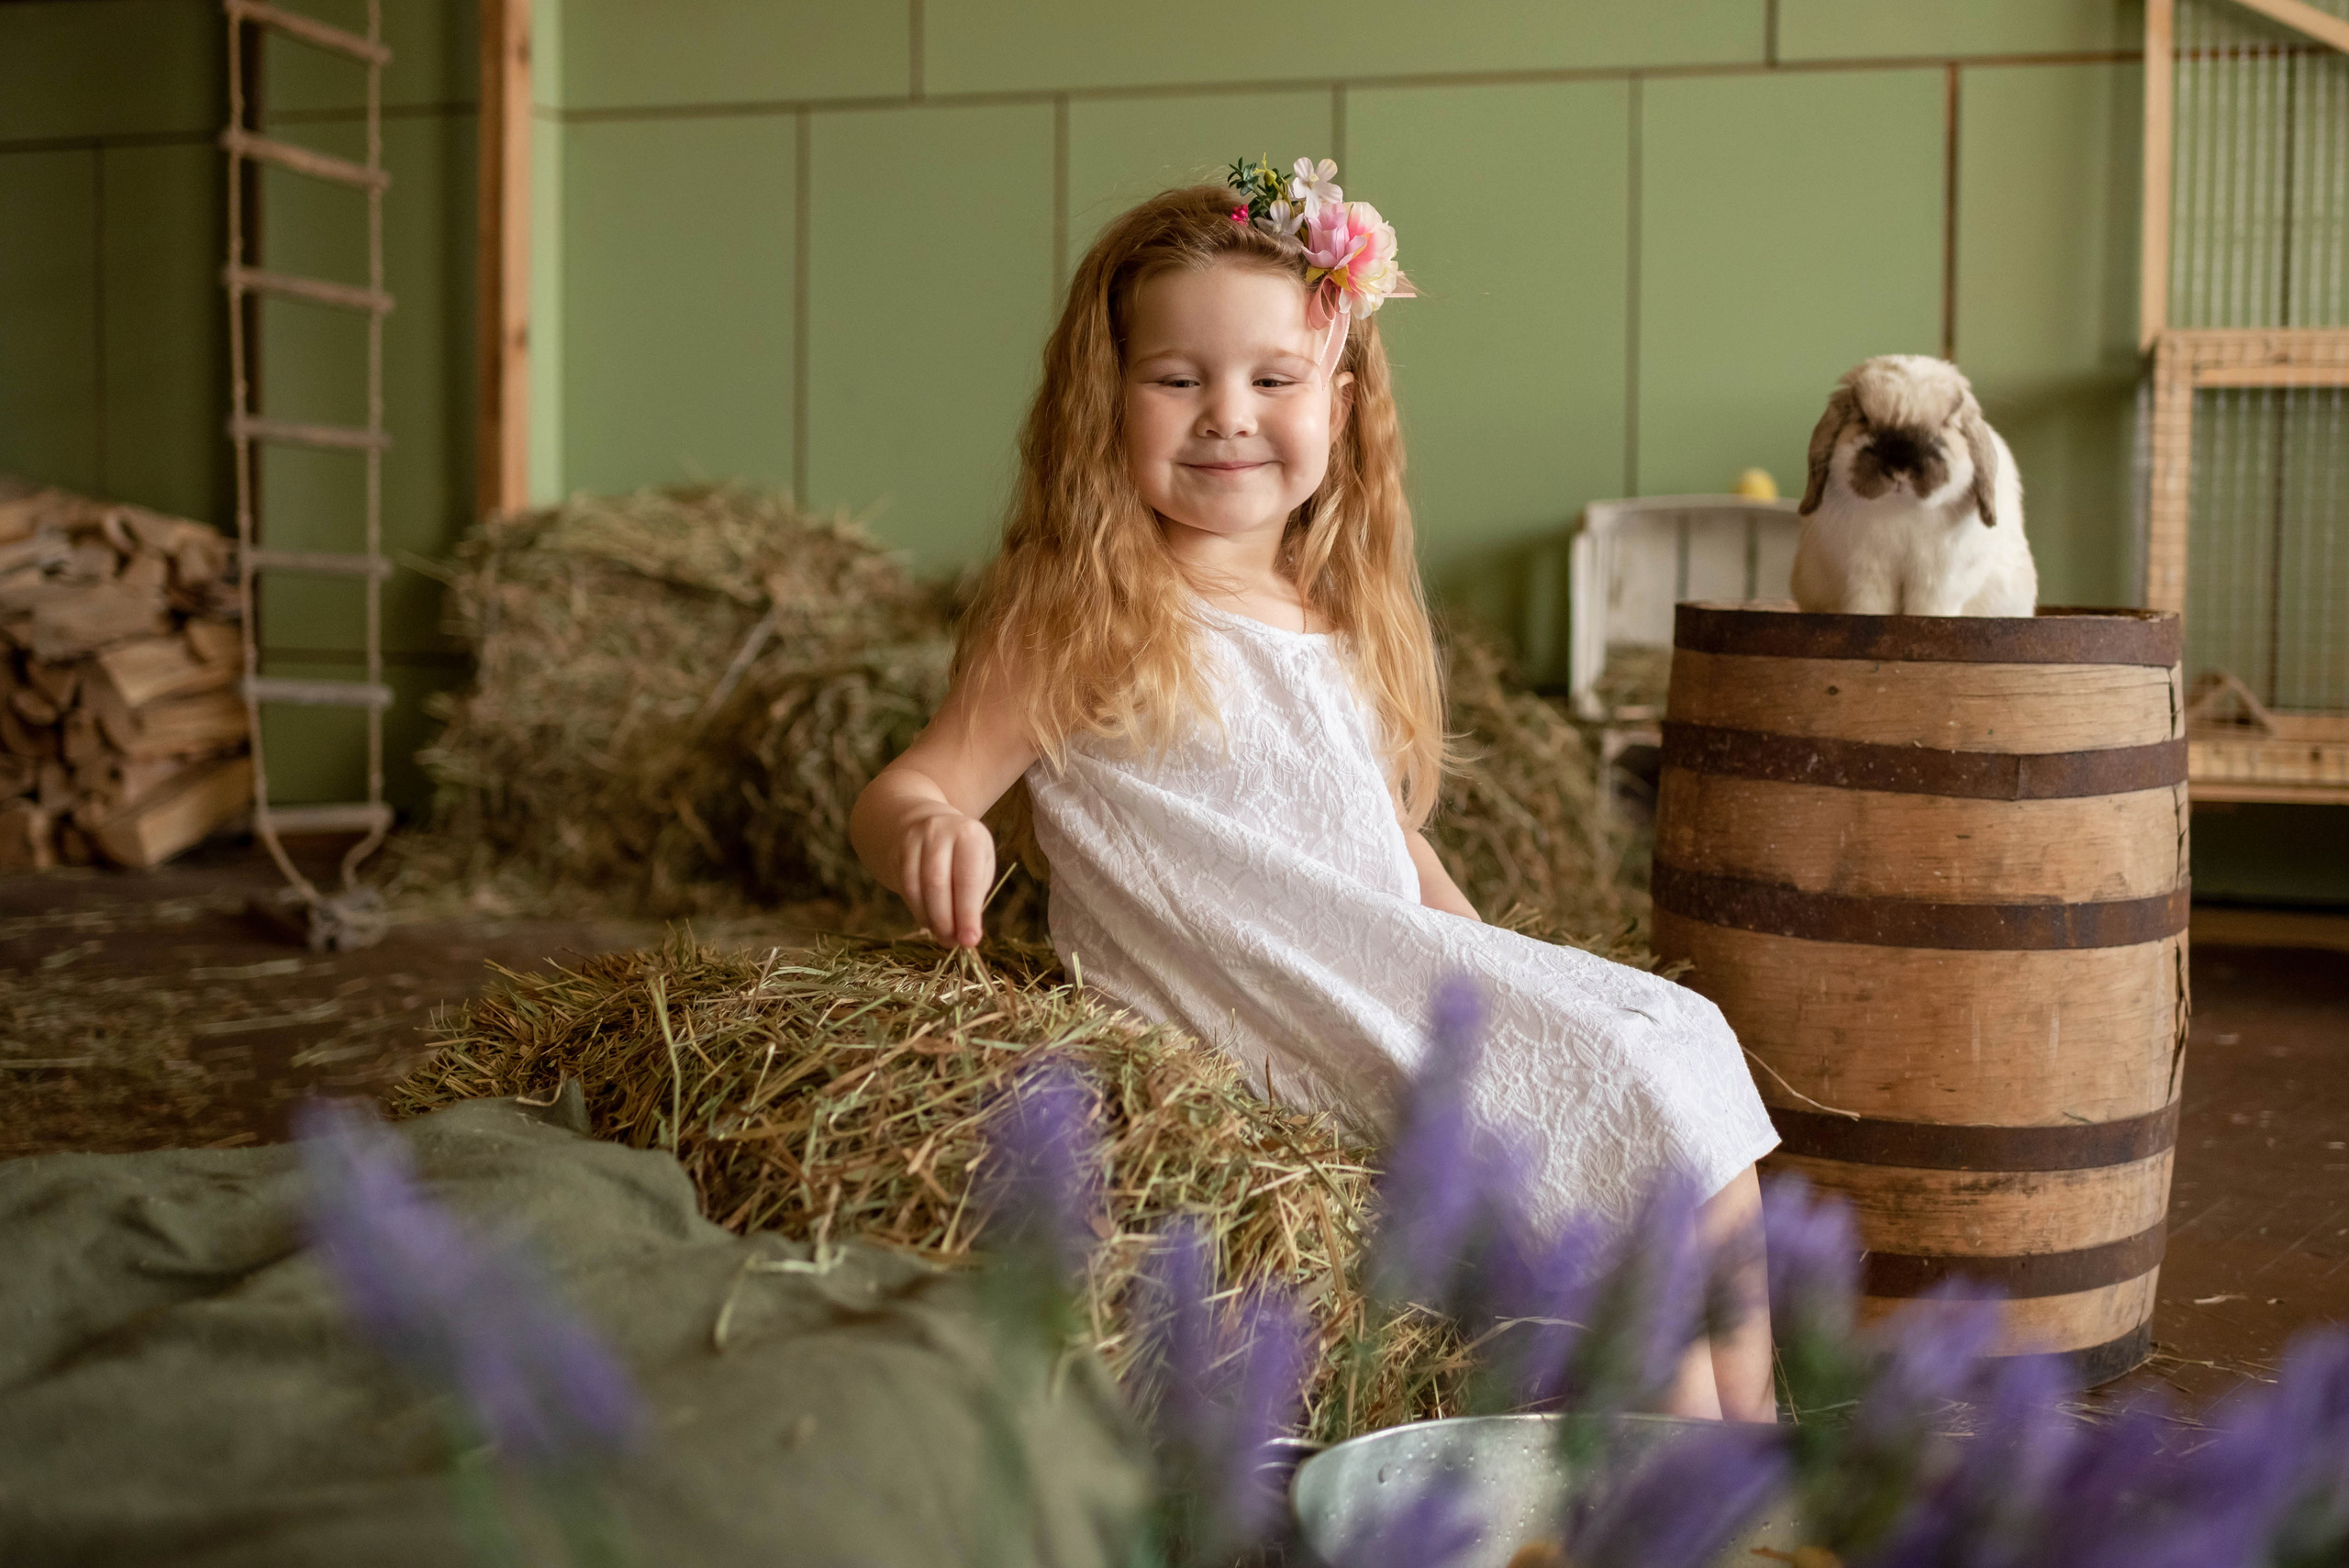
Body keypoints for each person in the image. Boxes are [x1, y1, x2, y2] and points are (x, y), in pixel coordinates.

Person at [849, 160, 1780, 1421]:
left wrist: (1503, 968)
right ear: (1104, 399)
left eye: (1273, 380)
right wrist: (926, 825)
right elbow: (914, 782)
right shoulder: (1081, 612)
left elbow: (1384, 839)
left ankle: (1742, 1453)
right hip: (1251, 997)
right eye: (1177, 379)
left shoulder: (1335, 611)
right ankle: (1678, 1464)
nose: (1227, 415)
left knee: (1680, 1039)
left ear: (1339, 402)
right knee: (1613, 1099)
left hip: (1377, 965)